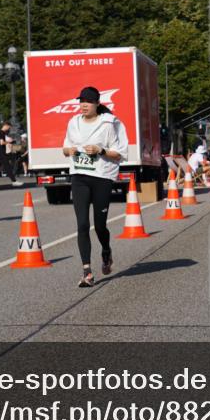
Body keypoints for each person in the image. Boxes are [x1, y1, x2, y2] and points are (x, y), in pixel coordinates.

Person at [62, 86, 128, 287]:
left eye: (88, 102)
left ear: (97, 104)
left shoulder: (109, 123)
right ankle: (87, 272)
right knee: (82, 224)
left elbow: (120, 153)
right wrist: (69, 150)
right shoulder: (73, 122)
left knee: (99, 226)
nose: (84, 105)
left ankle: (106, 251)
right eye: (81, 101)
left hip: (101, 177)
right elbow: (65, 148)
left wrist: (101, 150)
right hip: (79, 176)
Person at [0, 121, 23, 187]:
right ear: (6, 125)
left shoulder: (0, 132)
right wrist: (9, 142)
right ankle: (14, 181)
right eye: (9, 127)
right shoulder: (1, 132)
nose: (9, 129)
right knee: (7, 167)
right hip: (1, 153)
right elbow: (1, 143)